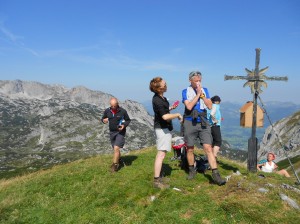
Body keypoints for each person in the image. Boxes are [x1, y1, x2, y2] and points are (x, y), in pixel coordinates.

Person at [182, 71, 226, 185]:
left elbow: (210, 105)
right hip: (189, 121)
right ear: (190, 81)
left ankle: (216, 175)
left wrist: (203, 96)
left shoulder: (205, 90)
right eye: (196, 81)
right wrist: (197, 94)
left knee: (208, 148)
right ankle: (192, 171)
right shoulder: (185, 91)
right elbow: (189, 106)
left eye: (199, 80)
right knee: (190, 148)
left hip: (203, 121)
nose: (198, 83)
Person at [150, 77, 183, 189]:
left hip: (164, 128)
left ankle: (159, 177)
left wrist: (170, 108)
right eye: (164, 84)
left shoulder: (161, 98)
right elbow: (164, 116)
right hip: (162, 129)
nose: (166, 84)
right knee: (161, 154)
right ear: (159, 88)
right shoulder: (157, 100)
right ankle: (156, 181)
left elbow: (162, 111)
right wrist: (177, 114)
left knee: (162, 154)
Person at [101, 97, 131, 172]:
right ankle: (119, 160)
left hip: (120, 132)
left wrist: (124, 125)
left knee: (116, 148)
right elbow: (103, 118)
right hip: (112, 132)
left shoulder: (123, 111)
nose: (113, 107)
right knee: (115, 149)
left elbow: (128, 120)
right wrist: (104, 120)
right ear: (110, 105)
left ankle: (114, 166)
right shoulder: (107, 111)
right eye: (112, 106)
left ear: (117, 104)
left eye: (115, 105)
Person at [207, 95, 222, 161]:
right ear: (217, 101)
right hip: (215, 125)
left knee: (213, 142)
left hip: (210, 126)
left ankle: (210, 157)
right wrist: (215, 120)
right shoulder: (215, 106)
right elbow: (212, 114)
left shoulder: (209, 107)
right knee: (218, 141)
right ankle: (214, 156)